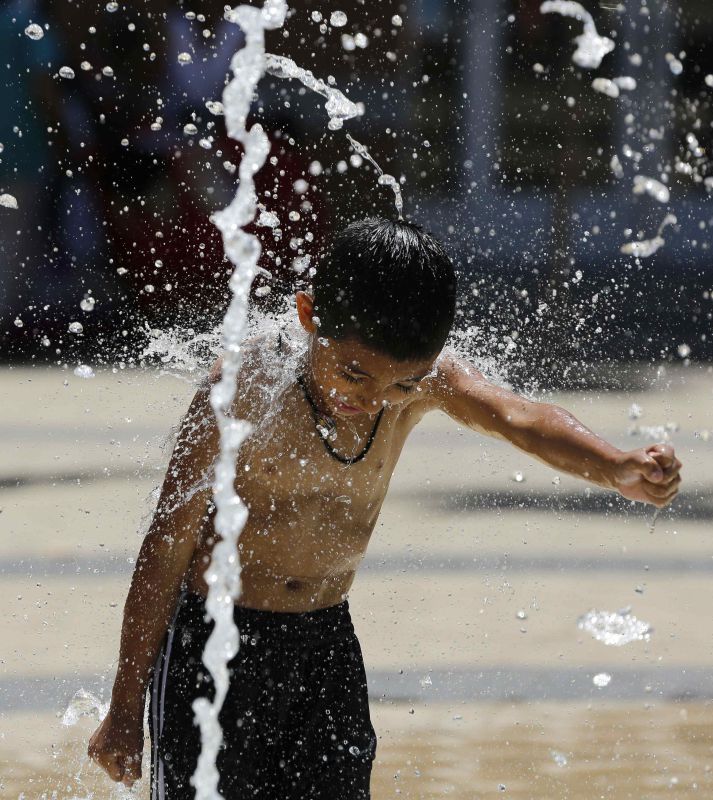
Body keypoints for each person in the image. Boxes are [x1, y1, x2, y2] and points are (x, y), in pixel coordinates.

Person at [88, 217, 681, 799]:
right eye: (354, 375)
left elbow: (519, 417)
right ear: (307, 316)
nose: (372, 399)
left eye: (402, 385)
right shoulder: (246, 385)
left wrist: (614, 465)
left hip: (325, 641)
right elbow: (165, 546)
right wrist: (124, 705)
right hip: (212, 645)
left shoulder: (422, 381)